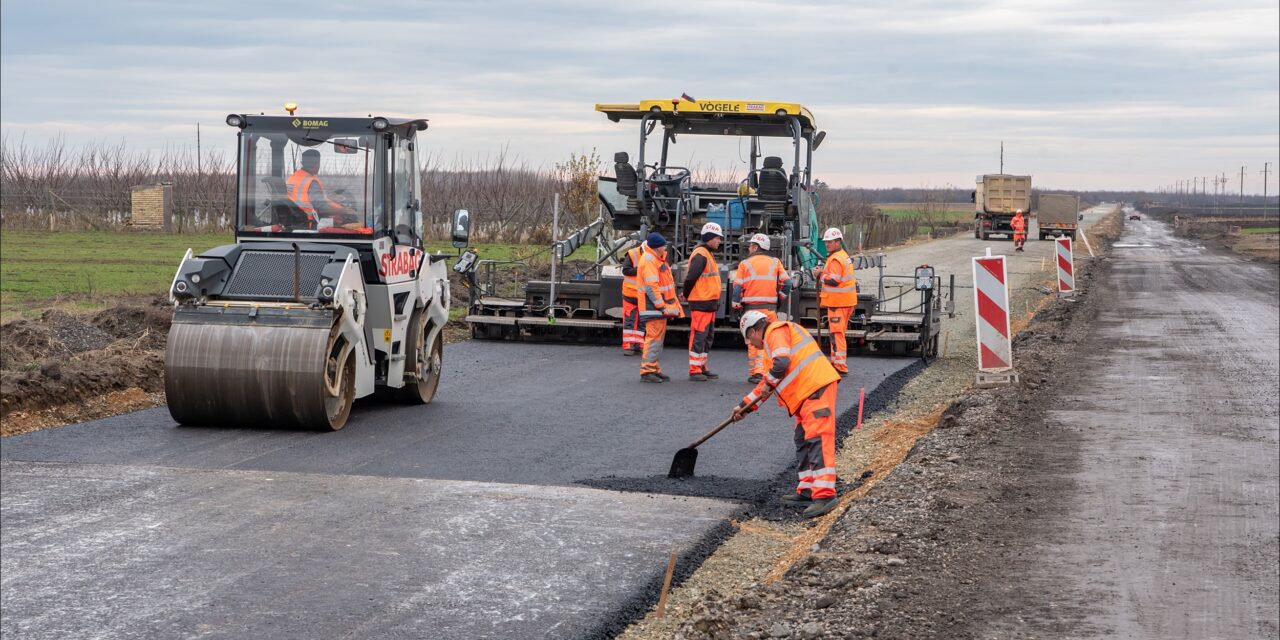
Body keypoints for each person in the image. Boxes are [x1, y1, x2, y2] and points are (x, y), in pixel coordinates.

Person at [731, 310, 842, 519]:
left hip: (815, 389)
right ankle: (808, 490)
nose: (750, 343)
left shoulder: (775, 330)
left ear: (756, 330)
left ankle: (825, 495)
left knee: (817, 439)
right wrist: (744, 407)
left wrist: (769, 382)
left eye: (748, 337)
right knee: (802, 439)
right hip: (805, 395)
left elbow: (781, 364)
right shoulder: (770, 347)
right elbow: (768, 384)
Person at [732, 234, 792, 383]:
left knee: (754, 341)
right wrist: (780, 298)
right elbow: (788, 283)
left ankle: (757, 373)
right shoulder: (775, 262)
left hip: (752, 310)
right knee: (770, 339)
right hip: (770, 309)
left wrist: (736, 306)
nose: (749, 248)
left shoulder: (744, 264)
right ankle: (769, 371)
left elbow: (737, 288)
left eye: (751, 245)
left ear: (756, 247)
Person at [637, 233, 683, 383]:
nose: (665, 248)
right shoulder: (650, 260)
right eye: (663, 245)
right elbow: (652, 287)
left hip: (656, 307)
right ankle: (648, 370)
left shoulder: (654, 259)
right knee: (653, 339)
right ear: (657, 247)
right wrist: (661, 305)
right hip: (654, 307)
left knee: (657, 339)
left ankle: (653, 368)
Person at [810, 228, 856, 375]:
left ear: (838, 242)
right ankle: (836, 363)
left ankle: (840, 366)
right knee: (837, 333)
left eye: (830, 242)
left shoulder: (836, 259)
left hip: (838, 303)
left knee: (836, 334)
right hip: (844, 301)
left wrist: (819, 274)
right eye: (826, 242)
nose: (827, 244)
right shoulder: (842, 256)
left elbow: (834, 280)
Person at [683, 222, 724, 381]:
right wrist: (686, 294)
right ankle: (695, 369)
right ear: (709, 238)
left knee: (707, 337)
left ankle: (702, 365)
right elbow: (691, 277)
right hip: (701, 302)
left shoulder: (707, 253)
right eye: (717, 238)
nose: (719, 241)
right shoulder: (701, 254)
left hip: (708, 302)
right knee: (699, 336)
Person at [286, 149, 357, 229]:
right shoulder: (311, 181)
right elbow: (321, 206)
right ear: (317, 164)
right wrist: (344, 211)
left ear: (302, 163)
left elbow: (303, 196)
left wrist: (327, 197)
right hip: (309, 223)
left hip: (295, 220)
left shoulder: (292, 177)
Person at [619, 241, 647, 356]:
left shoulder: (653, 255)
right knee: (630, 321)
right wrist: (641, 270)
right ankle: (628, 346)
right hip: (630, 294)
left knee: (641, 322)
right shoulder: (632, 254)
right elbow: (626, 270)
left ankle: (639, 345)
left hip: (643, 294)